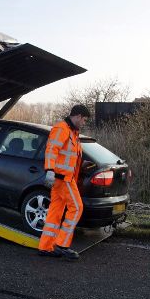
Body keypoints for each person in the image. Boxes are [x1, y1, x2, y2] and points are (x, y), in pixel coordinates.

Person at [38, 104, 91, 260]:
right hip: (62, 178)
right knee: (77, 207)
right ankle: (62, 245)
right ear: (78, 116)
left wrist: (82, 165)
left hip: (64, 178)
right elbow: (51, 149)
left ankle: (46, 247)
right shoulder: (62, 129)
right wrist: (49, 170)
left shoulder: (73, 132)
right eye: (84, 120)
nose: (84, 123)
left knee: (56, 211)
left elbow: (69, 156)